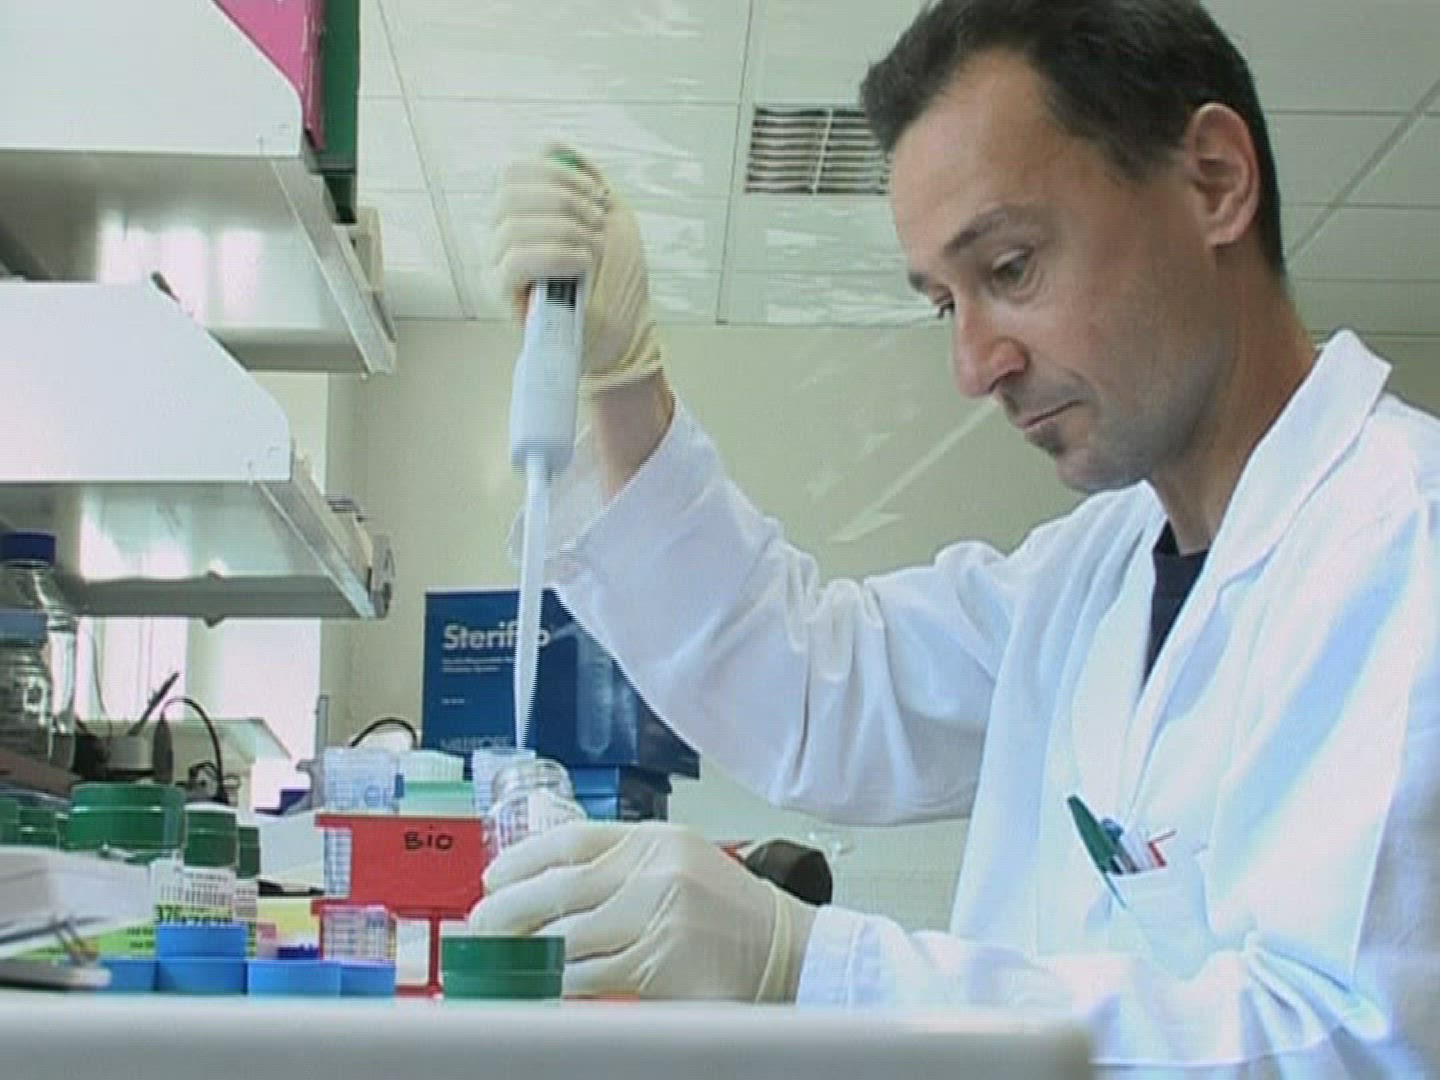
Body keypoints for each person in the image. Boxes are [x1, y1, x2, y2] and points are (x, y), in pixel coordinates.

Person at [468, 0, 1440, 1073]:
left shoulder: (1402, 542)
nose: (976, 367)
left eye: (1011, 268)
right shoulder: (1094, 575)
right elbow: (818, 693)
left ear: (1213, 181)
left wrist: (812, 965)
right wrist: (623, 378)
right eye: (946, 303)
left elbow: (1348, 1043)